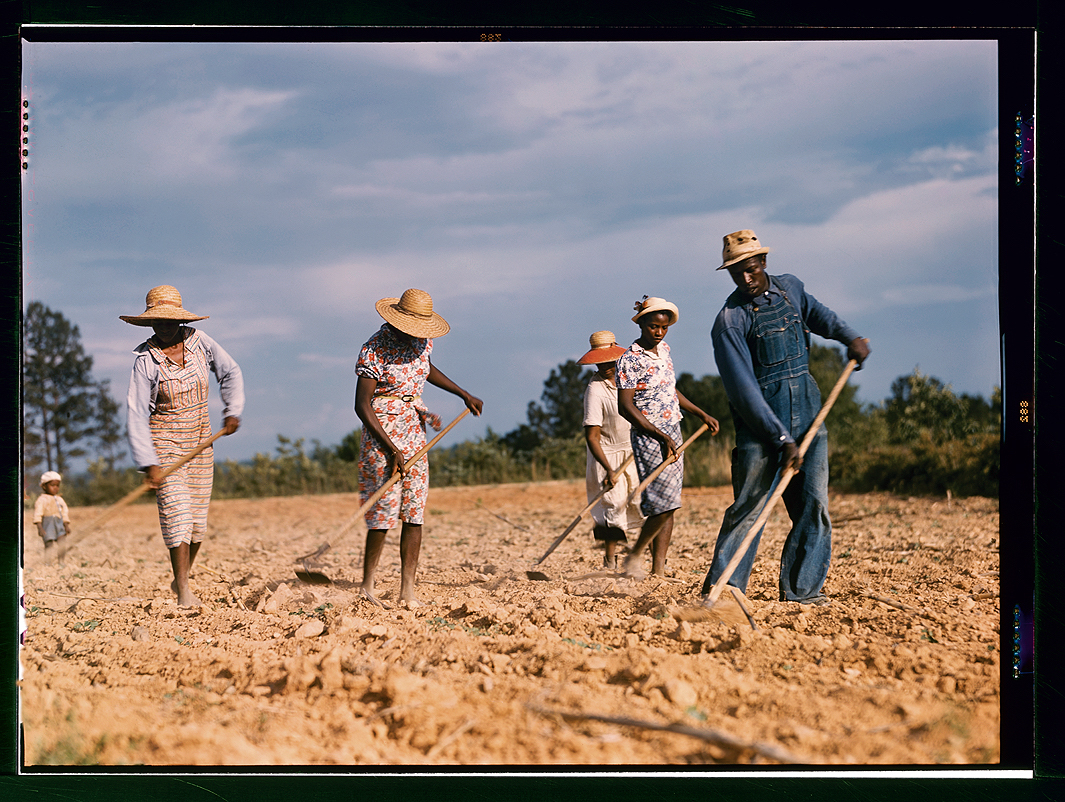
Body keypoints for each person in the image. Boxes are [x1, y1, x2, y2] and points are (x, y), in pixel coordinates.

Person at [702, 230, 870, 606]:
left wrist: (850, 337)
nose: (745, 279)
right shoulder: (730, 321)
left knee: (814, 505)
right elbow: (744, 391)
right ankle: (725, 594)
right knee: (749, 509)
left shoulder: (790, 289)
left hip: (809, 414)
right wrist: (780, 439)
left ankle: (802, 591)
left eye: (750, 269)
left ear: (762, 262)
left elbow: (819, 315)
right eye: (736, 273)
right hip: (759, 429)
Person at [355, 288, 482, 608]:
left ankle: (407, 590)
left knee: (414, 511)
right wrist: (392, 449)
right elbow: (361, 405)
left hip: (414, 431)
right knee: (382, 512)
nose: (416, 335)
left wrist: (462, 393)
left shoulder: (422, 342)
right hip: (381, 434)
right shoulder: (374, 349)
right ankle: (367, 585)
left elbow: (425, 368)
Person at [122, 285, 244, 608]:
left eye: (169, 320)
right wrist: (150, 462)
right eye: (157, 321)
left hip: (202, 441)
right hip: (165, 443)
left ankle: (180, 578)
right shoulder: (145, 360)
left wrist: (232, 410)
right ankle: (185, 592)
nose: (163, 326)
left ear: (179, 319)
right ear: (149, 323)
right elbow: (136, 413)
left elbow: (230, 372)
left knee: (197, 523)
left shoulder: (200, 342)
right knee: (177, 515)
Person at [616, 297, 720, 578]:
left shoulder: (665, 351)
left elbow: (669, 391)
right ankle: (635, 555)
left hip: (673, 429)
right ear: (641, 325)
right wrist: (658, 434)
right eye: (653, 327)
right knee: (662, 503)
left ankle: (658, 569)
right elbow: (625, 406)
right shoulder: (630, 359)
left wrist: (701, 413)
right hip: (649, 435)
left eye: (663, 328)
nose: (658, 332)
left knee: (671, 502)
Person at [578, 331, 645, 569]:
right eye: (601, 361)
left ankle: (642, 558)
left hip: (633, 451)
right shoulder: (595, 390)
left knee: (641, 503)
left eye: (610, 360)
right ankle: (610, 561)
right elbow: (592, 436)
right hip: (606, 455)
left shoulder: (629, 379)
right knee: (611, 508)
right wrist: (608, 468)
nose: (606, 366)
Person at [33, 471, 71, 562]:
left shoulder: (59, 499)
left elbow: (64, 512)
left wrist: (66, 525)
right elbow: (38, 514)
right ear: (44, 486)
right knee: (49, 544)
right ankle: (48, 563)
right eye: (52, 485)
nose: (55, 488)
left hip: (59, 523)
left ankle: (61, 561)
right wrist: (40, 528)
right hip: (48, 524)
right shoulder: (41, 500)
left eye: (57, 485)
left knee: (62, 543)